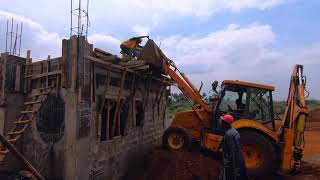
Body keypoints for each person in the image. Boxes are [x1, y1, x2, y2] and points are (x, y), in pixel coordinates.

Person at [220, 114, 248, 180]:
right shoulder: (234, 131)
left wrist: (233, 166)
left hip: (231, 163)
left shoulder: (228, 134)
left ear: (226, 123)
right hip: (237, 160)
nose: (221, 123)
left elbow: (233, 151)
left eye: (222, 121)